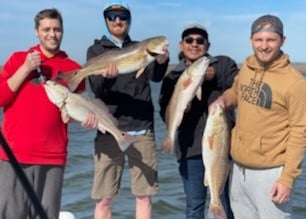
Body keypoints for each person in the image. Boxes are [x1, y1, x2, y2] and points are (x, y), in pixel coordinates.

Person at [210, 14, 306, 219]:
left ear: (283, 41)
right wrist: (223, 101)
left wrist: (287, 179)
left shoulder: (295, 83)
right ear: (250, 40)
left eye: (271, 40)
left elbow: (300, 132)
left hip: (271, 174)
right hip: (237, 169)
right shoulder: (246, 68)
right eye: (258, 40)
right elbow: (236, 92)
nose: (264, 46)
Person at [0, 8, 92, 219]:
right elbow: (1, 98)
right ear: (36, 32)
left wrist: (88, 120)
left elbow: (77, 109)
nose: (52, 34)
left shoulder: (73, 68)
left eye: (57, 29)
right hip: (14, 156)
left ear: (63, 32)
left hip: (52, 157)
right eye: (46, 29)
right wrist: (25, 69)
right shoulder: (18, 59)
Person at [86, 0, 169, 219]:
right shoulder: (96, 50)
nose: (118, 20)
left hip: (142, 129)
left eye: (122, 16)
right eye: (112, 17)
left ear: (129, 20)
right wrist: (106, 79)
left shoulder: (142, 47)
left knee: (144, 196)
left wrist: (161, 60)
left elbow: (156, 77)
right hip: (109, 129)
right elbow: (96, 90)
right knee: (104, 198)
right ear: (106, 20)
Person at [159, 24, 237, 219]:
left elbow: (238, 87)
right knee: (195, 206)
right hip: (189, 148)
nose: (195, 44)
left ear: (207, 44)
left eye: (200, 41)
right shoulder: (172, 78)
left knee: (228, 203)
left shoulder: (223, 64)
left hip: (222, 147)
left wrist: (214, 75)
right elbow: (164, 111)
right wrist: (181, 110)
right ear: (181, 45)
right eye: (189, 40)